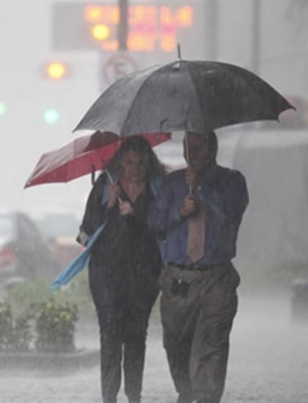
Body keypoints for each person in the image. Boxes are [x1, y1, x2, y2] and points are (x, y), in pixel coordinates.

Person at [147, 130, 249, 403]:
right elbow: (154, 223)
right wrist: (179, 212)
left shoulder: (232, 181)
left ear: (213, 150)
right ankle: (186, 391)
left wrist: (203, 189)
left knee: (211, 345)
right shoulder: (172, 184)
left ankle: (206, 397)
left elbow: (232, 211)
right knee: (175, 343)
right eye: (188, 149)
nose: (193, 155)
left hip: (216, 277)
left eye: (199, 149)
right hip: (178, 278)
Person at [78, 135, 166, 403]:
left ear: (148, 164)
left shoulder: (158, 190)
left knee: (137, 334)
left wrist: (136, 215)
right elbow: (84, 235)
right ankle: (109, 396)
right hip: (107, 273)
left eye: (141, 162)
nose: (135, 167)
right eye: (129, 162)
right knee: (110, 333)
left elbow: (164, 227)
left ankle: (134, 395)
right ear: (121, 163)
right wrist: (108, 205)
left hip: (143, 274)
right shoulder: (106, 186)